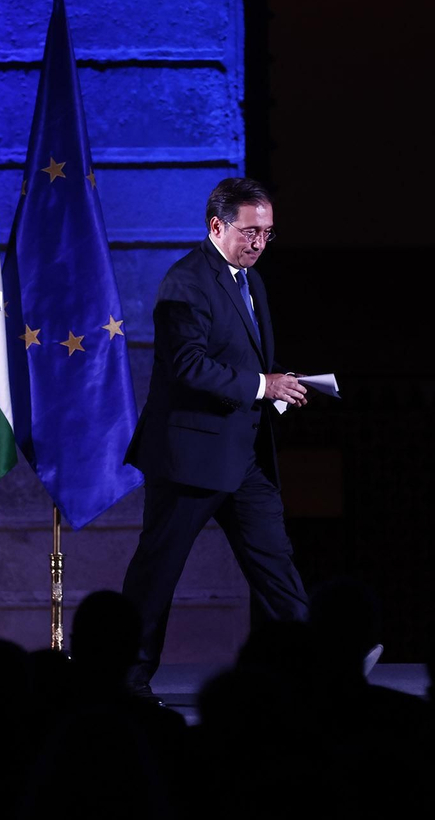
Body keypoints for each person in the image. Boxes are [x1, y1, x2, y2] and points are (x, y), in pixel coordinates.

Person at [122, 176, 312, 703]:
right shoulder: (186, 281)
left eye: (268, 233)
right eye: (250, 232)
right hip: (189, 458)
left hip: (242, 457)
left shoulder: (251, 280)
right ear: (217, 226)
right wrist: (259, 385)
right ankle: (126, 681)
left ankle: (315, 661)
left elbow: (243, 360)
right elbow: (186, 365)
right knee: (158, 573)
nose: (259, 243)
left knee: (275, 562)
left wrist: (278, 385)